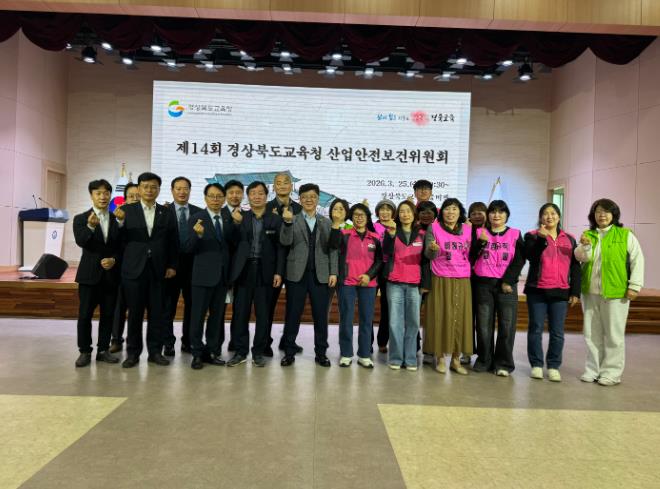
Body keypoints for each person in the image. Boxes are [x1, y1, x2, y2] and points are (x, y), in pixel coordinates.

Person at [574, 198, 644, 386]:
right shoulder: (588, 234)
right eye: (598, 211)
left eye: (606, 211)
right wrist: (585, 245)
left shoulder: (625, 235)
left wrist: (634, 286)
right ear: (593, 215)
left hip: (616, 293)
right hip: (590, 292)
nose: (602, 215)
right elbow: (581, 257)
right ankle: (592, 370)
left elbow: (637, 260)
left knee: (614, 335)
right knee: (591, 334)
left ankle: (611, 373)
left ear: (614, 214)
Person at [116, 172, 178, 368]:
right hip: (134, 269)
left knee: (157, 313)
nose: (149, 190)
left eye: (153, 187)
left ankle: (155, 352)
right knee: (135, 313)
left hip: (158, 270)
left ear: (158, 190)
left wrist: (172, 265)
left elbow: (173, 241)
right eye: (145, 186)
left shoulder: (166, 213)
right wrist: (119, 223)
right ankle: (133, 353)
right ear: (139, 189)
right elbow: (118, 240)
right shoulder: (126, 210)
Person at [280, 183, 338, 367]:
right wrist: (287, 223)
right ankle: (289, 352)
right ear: (300, 199)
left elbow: (333, 249)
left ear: (318, 198)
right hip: (296, 274)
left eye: (312, 197)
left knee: (321, 316)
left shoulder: (326, 222)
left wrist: (333, 272)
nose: (309, 200)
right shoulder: (291, 218)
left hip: (320, 275)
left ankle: (321, 353)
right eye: (305, 197)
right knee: (292, 314)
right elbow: (285, 241)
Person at [227, 181, 284, 367]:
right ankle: (240, 351)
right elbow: (231, 243)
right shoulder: (240, 217)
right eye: (253, 193)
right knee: (240, 313)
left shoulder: (275, 219)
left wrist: (279, 272)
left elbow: (280, 248)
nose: (257, 196)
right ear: (248, 196)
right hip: (244, 270)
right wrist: (235, 224)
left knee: (263, 314)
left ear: (266, 196)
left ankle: (258, 352)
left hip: (265, 271)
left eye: (261, 193)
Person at [523, 203, 581, 382]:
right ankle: (536, 365)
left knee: (557, 332)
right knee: (536, 328)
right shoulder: (532, 235)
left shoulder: (569, 239)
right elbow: (531, 257)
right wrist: (542, 239)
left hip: (561, 291)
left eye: (553, 213)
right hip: (537, 290)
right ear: (540, 217)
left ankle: (554, 366)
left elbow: (575, 266)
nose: (549, 216)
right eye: (545, 214)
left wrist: (575, 291)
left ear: (559, 216)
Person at [470, 200, 525, 376]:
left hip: (506, 286)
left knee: (507, 325)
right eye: (493, 211)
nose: (496, 215)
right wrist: (480, 243)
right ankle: (484, 360)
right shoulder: (479, 232)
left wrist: (508, 281)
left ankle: (503, 364)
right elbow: (470, 257)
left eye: (501, 212)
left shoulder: (515, 234)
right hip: (483, 284)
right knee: (483, 326)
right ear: (488, 215)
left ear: (507, 215)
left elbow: (519, 260)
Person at [185, 183, 236, 369]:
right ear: (205, 198)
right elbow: (188, 248)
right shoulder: (196, 218)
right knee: (197, 317)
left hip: (222, 277)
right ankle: (197, 353)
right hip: (202, 276)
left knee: (217, 318)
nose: (215, 200)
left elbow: (232, 245)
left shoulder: (228, 218)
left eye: (219, 196)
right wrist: (197, 236)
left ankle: (212, 351)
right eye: (212, 196)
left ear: (224, 199)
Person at [72, 179, 122, 367]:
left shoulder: (116, 219)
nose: (103, 196)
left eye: (106, 193)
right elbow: (82, 241)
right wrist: (91, 227)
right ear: (91, 195)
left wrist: (114, 260)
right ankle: (84, 351)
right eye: (98, 193)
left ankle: (103, 350)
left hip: (111, 276)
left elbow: (121, 247)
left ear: (110, 195)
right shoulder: (81, 218)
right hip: (89, 276)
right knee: (85, 315)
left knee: (108, 315)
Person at [424, 198, 473, 375]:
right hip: (440, 277)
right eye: (447, 209)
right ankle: (440, 358)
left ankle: (456, 359)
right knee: (440, 316)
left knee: (460, 319)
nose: (450, 212)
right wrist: (432, 249)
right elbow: (428, 254)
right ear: (441, 212)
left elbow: (471, 254)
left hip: (462, 278)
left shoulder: (468, 229)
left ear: (460, 212)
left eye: (454, 209)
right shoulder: (433, 228)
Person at [332, 203, 382, 368]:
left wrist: (369, 275)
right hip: (347, 283)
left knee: (366, 319)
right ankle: (346, 354)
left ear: (367, 218)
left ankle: (364, 355)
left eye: (362, 215)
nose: (359, 218)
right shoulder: (344, 234)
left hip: (368, 283)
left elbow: (379, 260)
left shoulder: (375, 238)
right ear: (351, 218)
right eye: (355, 215)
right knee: (346, 318)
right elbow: (332, 247)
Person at [383, 200, 428, 371]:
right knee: (395, 322)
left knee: (413, 322)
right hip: (394, 282)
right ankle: (395, 358)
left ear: (414, 214)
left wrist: (425, 283)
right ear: (397, 215)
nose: (405, 214)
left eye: (408, 211)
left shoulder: (422, 234)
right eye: (402, 211)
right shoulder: (391, 231)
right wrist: (391, 235)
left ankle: (410, 358)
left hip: (415, 284)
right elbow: (386, 252)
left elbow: (426, 261)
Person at [265, 172, 303, 356]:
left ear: (291, 186)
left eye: (285, 182)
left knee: (294, 307)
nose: (282, 186)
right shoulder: (266, 208)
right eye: (278, 183)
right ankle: (265, 341)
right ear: (274, 187)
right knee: (268, 305)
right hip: (273, 264)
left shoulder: (300, 209)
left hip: (295, 263)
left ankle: (288, 341)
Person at [164, 176, 202, 356]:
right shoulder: (163, 212)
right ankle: (168, 342)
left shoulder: (199, 213)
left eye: (185, 188)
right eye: (178, 188)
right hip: (170, 268)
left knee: (192, 307)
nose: (182, 192)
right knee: (168, 307)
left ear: (190, 190)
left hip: (193, 267)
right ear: (172, 191)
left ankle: (188, 341)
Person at [110, 182, 139, 353]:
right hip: (121, 267)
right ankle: (116, 339)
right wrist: (120, 221)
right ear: (125, 199)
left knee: (136, 308)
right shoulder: (119, 214)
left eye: (137, 196)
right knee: (119, 306)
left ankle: (133, 342)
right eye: (131, 196)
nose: (135, 199)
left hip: (142, 268)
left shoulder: (149, 214)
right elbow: (114, 240)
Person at [462, 201, 489, 365]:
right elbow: (469, 255)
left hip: (485, 281)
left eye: (480, 213)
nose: (477, 216)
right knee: (467, 317)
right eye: (473, 213)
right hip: (467, 278)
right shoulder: (466, 231)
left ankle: (485, 354)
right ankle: (466, 351)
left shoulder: (491, 230)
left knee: (483, 320)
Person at [223, 179, 245, 353]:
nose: (235, 196)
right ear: (225, 195)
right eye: (231, 192)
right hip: (221, 269)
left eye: (238, 192)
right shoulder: (217, 213)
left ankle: (236, 343)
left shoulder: (249, 215)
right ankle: (215, 344)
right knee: (218, 309)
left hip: (242, 270)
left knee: (240, 310)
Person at [373, 199, 396, 353]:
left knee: (387, 307)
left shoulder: (397, 226)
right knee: (368, 307)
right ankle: (367, 343)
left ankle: (383, 341)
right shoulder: (372, 226)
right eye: (382, 209)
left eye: (388, 209)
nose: (385, 212)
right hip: (373, 269)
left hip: (390, 270)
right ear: (377, 212)